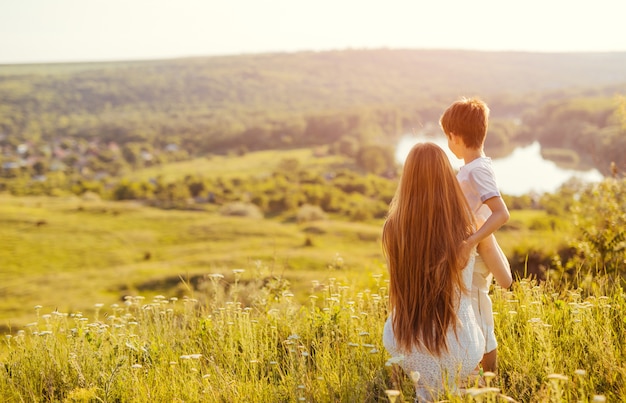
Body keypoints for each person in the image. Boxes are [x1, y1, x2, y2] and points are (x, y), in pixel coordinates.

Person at [382, 142, 509, 401]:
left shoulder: (392, 228)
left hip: (402, 339)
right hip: (460, 344)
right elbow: (506, 279)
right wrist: (480, 239)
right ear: (446, 176)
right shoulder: (471, 225)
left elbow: (396, 291)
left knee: (429, 390)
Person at [440, 96, 512, 372]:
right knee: (470, 313)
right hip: (470, 253)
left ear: (454, 136)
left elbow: (501, 213)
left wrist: (469, 242)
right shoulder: (472, 168)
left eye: (447, 138)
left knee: (480, 313)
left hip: (476, 256)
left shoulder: (477, 170)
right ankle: (474, 374)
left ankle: (490, 381)